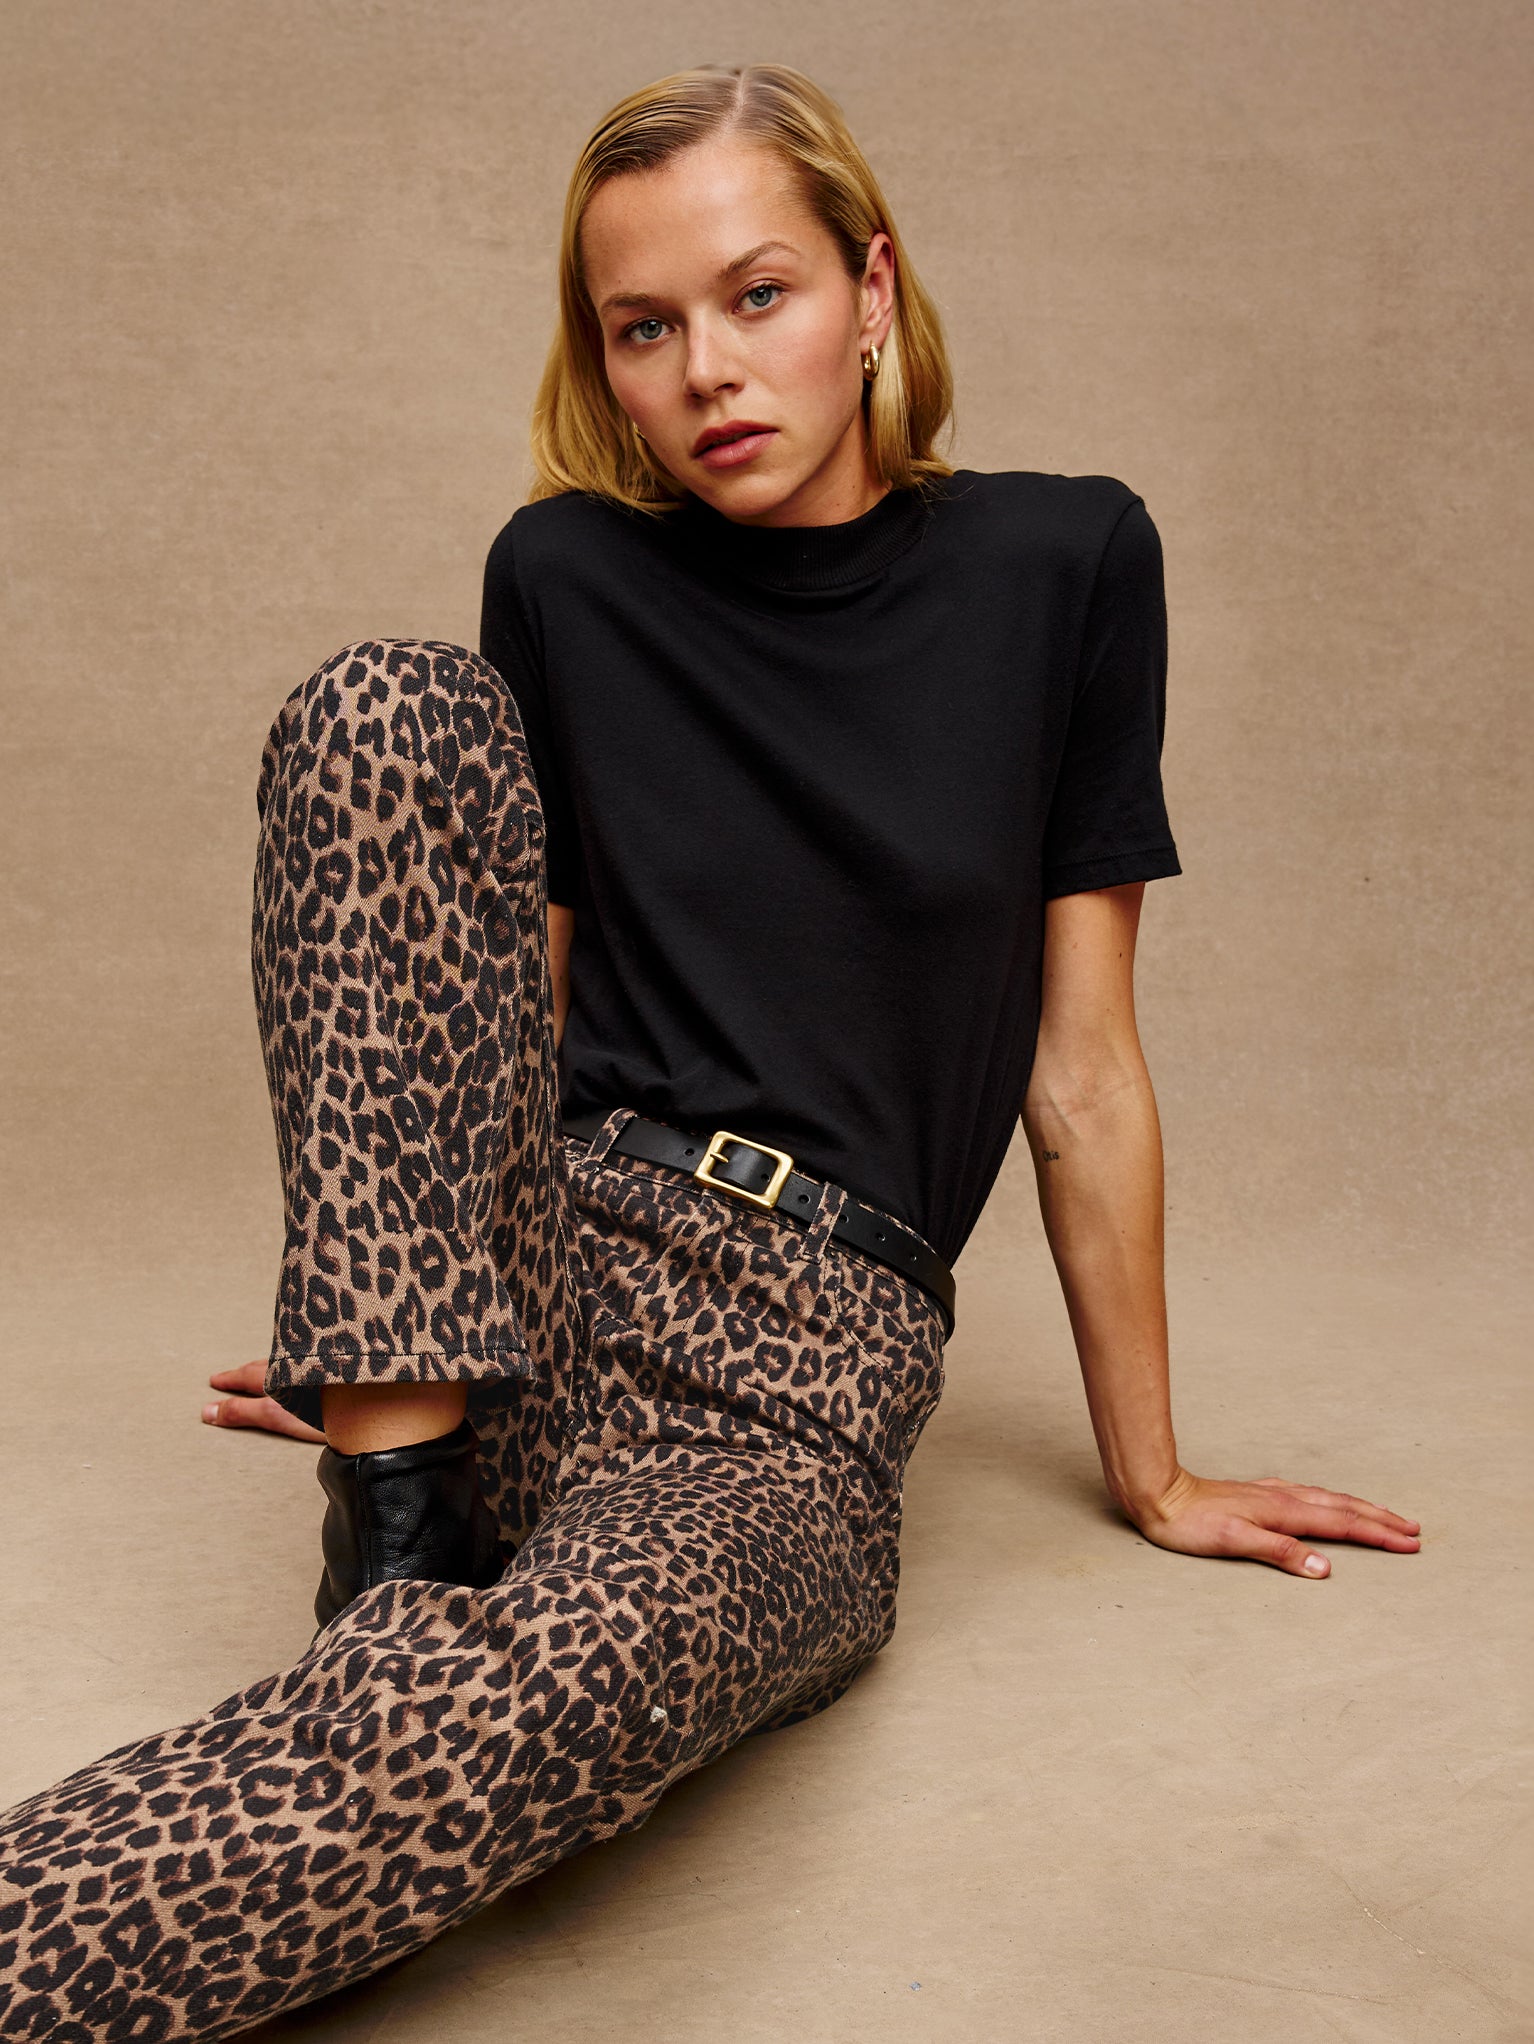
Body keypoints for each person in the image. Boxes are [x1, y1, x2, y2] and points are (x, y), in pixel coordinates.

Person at [0, 60, 1421, 2043]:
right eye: (640, 326)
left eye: (755, 295)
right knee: (382, 709)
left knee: (495, 1719)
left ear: (869, 288)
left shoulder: (1066, 564)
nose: (702, 372)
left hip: (784, 1389)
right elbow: (500, 989)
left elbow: (1078, 1064)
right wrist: (384, 1303)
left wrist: (1154, 1464)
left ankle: (380, 1651)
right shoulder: (565, 576)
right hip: (531, 1271)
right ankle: (392, 1525)